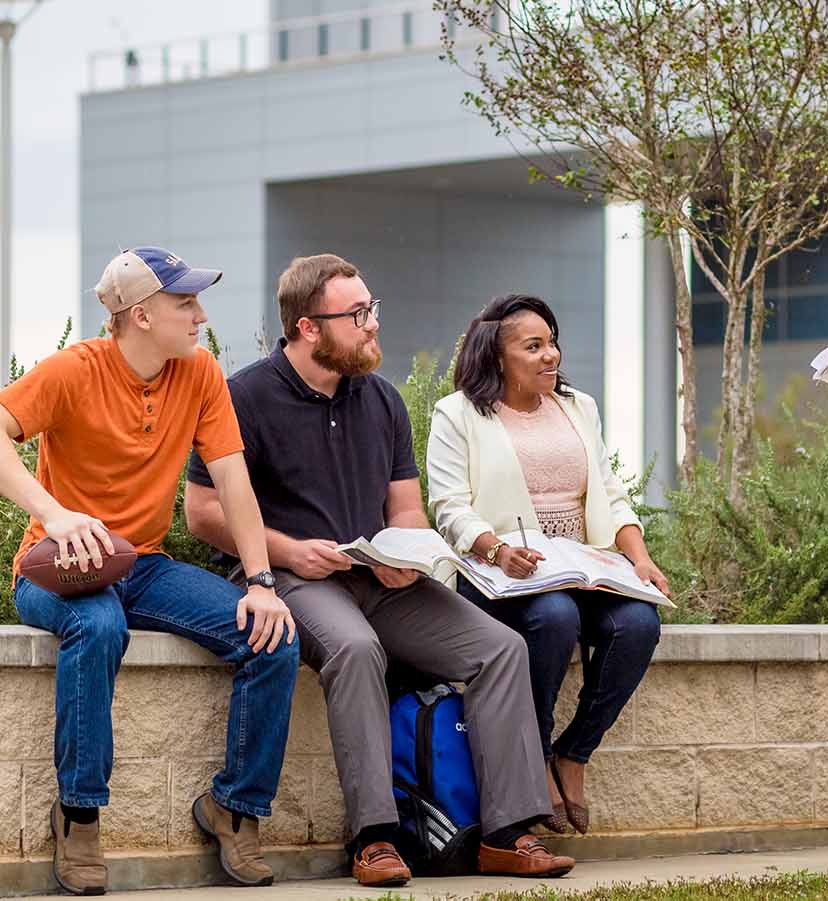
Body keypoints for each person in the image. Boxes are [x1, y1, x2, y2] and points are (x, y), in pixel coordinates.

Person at [181, 254, 577, 887]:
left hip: (379, 580)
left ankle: (506, 833)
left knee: (501, 648)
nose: (371, 325)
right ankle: (375, 836)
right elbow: (202, 513)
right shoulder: (244, 396)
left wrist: (408, 556)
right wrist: (289, 552)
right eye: (357, 314)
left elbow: (407, 510)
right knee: (357, 650)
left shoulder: (384, 399)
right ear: (309, 327)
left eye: (372, 309)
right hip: (289, 580)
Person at [0, 246, 300, 895]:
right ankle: (80, 816)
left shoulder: (198, 374)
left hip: (143, 565)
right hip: (60, 572)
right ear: (140, 315)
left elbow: (233, 481)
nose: (200, 315)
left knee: (275, 636)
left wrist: (261, 583)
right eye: (184, 303)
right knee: (98, 627)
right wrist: (54, 514)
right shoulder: (73, 370)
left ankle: (236, 805)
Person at [425, 293, 669, 835]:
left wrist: (640, 560)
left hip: (579, 566)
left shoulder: (578, 406)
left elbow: (610, 491)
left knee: (638, 625)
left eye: (552, 342)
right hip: (500, 575)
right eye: (533, 346)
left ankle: (572, 754)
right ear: (497, 355)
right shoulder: (458, 413)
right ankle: (531, 758)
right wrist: (495, 548)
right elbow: (448, 506)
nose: (550, 355)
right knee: (554, 616)